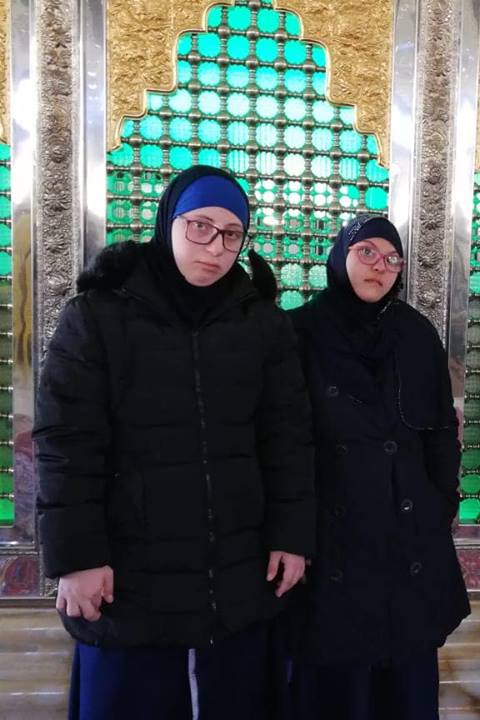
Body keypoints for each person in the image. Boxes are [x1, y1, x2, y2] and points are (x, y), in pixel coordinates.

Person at [34, 165, 316, 720]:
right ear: (169, 222)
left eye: (232, 234)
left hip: (234, 572)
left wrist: (292, 536)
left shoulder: (261, 324)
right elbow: (67, 445)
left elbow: (288, 440)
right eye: (200, 227)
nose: (215, 248)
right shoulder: (99, 316)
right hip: (128, 574)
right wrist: (78, 559)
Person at [287, 214, 470, 720]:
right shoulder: (299, 331)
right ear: (340, 256)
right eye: (366, 252)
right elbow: (282, 443)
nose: (380, 267)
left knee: (404, 683)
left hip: (407, 535)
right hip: (332, 539)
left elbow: (440, 430)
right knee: (338, 686)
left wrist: (440, 503)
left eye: (392, 259)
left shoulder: (414, 334)